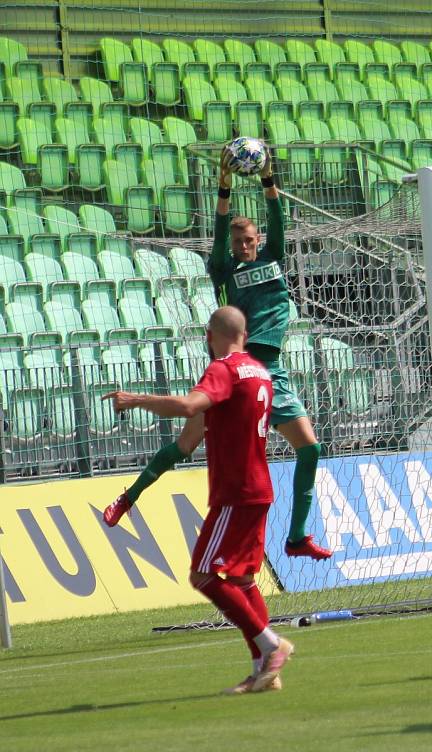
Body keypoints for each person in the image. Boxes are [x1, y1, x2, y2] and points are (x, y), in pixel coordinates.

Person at [104, 143, 331, 561]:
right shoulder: (223, 269)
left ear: (258, 239)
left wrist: (267, 177)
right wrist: (223, 186)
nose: (244, 245)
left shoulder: (274, 256)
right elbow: (220, 223)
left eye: (249, 240)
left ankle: (297, 536)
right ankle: (127, 499)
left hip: (270, 370)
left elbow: (277, 216)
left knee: (310, 448)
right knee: (186, 443)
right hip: (235, 369)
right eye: (237, 241)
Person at [103, 307, 294, 694]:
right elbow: (191, 438)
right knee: (240, 579)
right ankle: (263, 670)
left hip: (235, 493)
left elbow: (191, 409)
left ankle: (272, 646)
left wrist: (137, 399)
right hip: (259, 490)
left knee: (203, 574)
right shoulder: (260, 373)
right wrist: (134, 492)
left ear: (209, 335)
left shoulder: (223, 370)